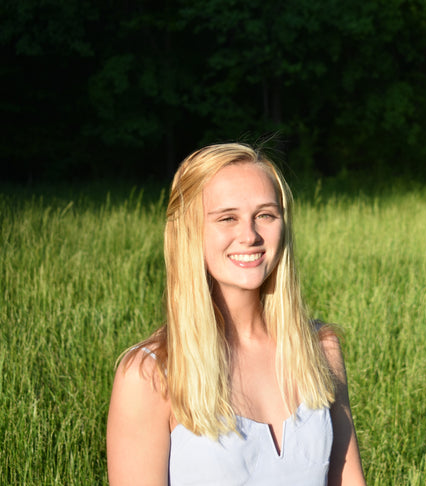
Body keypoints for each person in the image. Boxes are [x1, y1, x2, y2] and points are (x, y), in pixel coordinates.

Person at [107, 143, 366, 485]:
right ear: (189, 231)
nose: (250, 235)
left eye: (265, 215)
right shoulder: (150, 374)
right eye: (227, 218)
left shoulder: (320, 349)